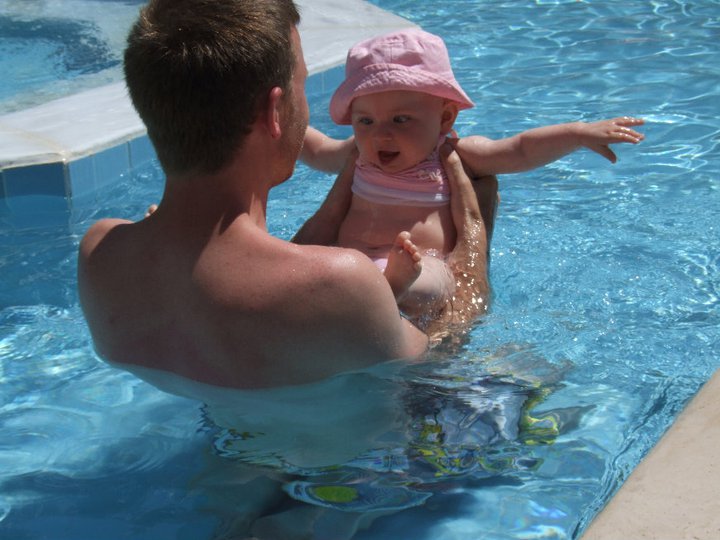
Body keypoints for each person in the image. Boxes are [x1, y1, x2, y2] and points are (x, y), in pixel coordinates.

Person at [77, 0, 495, 390]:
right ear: (274, 112)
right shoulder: (343, 285)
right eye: (302, 85)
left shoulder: (101, 255)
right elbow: (438, 366)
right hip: (354, 467)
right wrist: (475, 238)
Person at [302, 28, 645, 324]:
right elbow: (316, 150)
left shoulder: (454, 154)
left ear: (446, 117)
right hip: (351, 259)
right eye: (365, 121)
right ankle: (379, 289)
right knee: (319, 267)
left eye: (400, 120)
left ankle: (396, 286)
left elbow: (519, 150)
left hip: (419, 266)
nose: (380, 135)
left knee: (438, 281)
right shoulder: (356, 153)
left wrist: (577, 134)